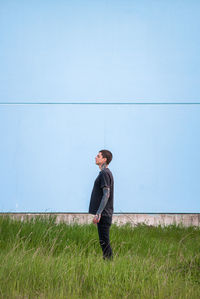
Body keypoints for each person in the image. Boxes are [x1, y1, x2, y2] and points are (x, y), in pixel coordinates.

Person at [89, 149, 114, 260]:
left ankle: (109, 264)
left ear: (104, 159)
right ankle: (107, 264)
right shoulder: (105, 173)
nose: (95, 157)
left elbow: (106, 194)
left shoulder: (105, 173)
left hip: (104, 214)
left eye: (98, 156)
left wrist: (98, 213)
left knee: (105, 242)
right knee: (103, 242)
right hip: (104, 214)